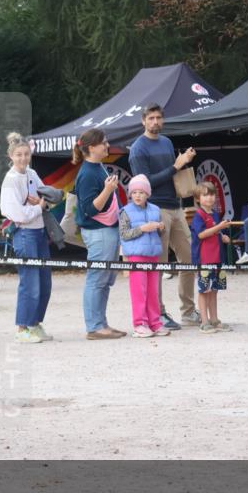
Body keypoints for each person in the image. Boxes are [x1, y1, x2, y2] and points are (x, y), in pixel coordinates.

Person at [128, 103, 199, 330]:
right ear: (143, 121)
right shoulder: (138, 148)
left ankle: (188, 311)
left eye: (158, 118)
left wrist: (183, 162)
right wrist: (175, 167)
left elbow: (173, 175)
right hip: (154, 209)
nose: (155, 122)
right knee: (158, 264)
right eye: (151, 118)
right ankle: (158, 313)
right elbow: (144, 184)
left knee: (189, 258)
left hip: (176, 206)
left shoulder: (167, 142)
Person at [0, 132, 53, 344]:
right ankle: (22, 328)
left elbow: (46, 195)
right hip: (24, 234)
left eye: (26, 154)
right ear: (11, 156)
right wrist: (39, 207)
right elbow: (17, 214)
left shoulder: (32, 173)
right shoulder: (10, 180)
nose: (23, 158)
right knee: (30, 282)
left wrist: (40, 203)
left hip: (40, 232)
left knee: (45, 282)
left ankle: (35, 323)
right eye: (19, 154)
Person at [72, 127, 125, 340]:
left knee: (105, 280)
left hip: (107, 231)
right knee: (97, 279)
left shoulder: (98, 167)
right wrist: (108, 190)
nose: (107, 145)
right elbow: (89, 209)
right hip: (98, 232)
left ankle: (101, 324)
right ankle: (94, 326)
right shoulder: (87, 174)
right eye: (104, 142)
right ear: (92, 148)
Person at [119, 175, 170, 338]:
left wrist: (161, 228)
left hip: (153, 255)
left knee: (153, 291)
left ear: (148, 193)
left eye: (141, 192)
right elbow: (124, 234)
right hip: (136, 256)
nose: (137, 195)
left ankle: (155, 323)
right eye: (134, 192)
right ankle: (140, 324)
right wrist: (142, 229)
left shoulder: (156, 209)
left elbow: (160, 234)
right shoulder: (125, 211)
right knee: (139, 291)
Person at [190, 180, 233, 334]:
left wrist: (222, 236)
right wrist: (219, 227)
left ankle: (214, 320)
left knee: (214, 290)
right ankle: (204, 322)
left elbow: (215, 232)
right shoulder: (199, 215)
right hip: (204, 260)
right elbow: (201, 234)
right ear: (198, 198)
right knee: (204, 291)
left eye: (212, 194)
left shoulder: (214, 214)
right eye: (205, 195)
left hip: (217, 258)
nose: (209, 198)